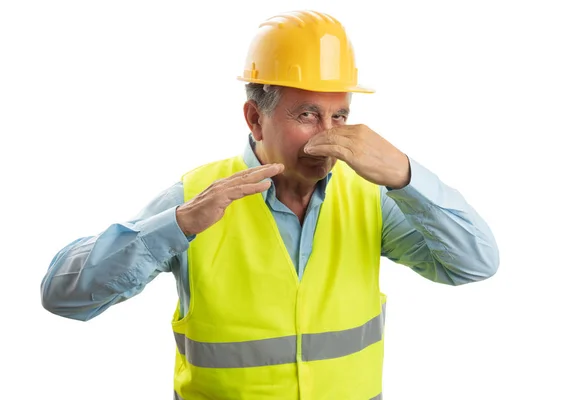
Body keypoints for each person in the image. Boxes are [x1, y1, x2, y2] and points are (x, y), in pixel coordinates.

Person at [41, 9, 499, 400]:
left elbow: (474, 264)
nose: (328, 135)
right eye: (306, 115)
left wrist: (405, 174)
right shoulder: (197, 195)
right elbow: (65, 297)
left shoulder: (373, 197)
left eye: (339, 116)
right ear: (255, 118)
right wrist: (177, 225)